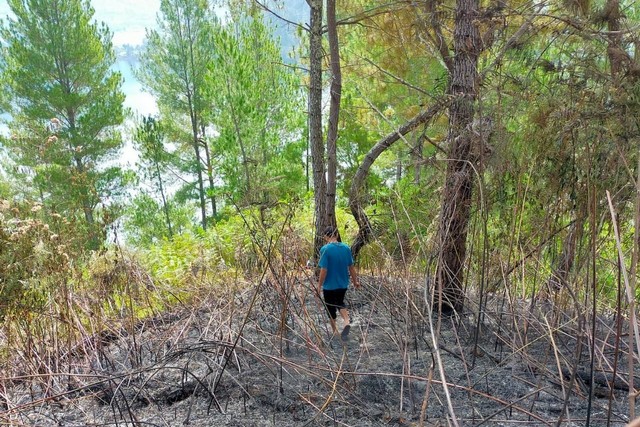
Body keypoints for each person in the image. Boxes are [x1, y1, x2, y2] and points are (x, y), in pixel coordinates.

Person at [317, 225, 360, 340]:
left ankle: (335, 331)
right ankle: (346, 321)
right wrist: (355, 281)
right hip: (343, 283)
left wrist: (319, 285)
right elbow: (351, 267)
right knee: (340, 302)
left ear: (326, 237)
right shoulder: (346, 248)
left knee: (330, 307)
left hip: (329, 285)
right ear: (336, 235)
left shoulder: (325, 249)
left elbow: (324, 269)